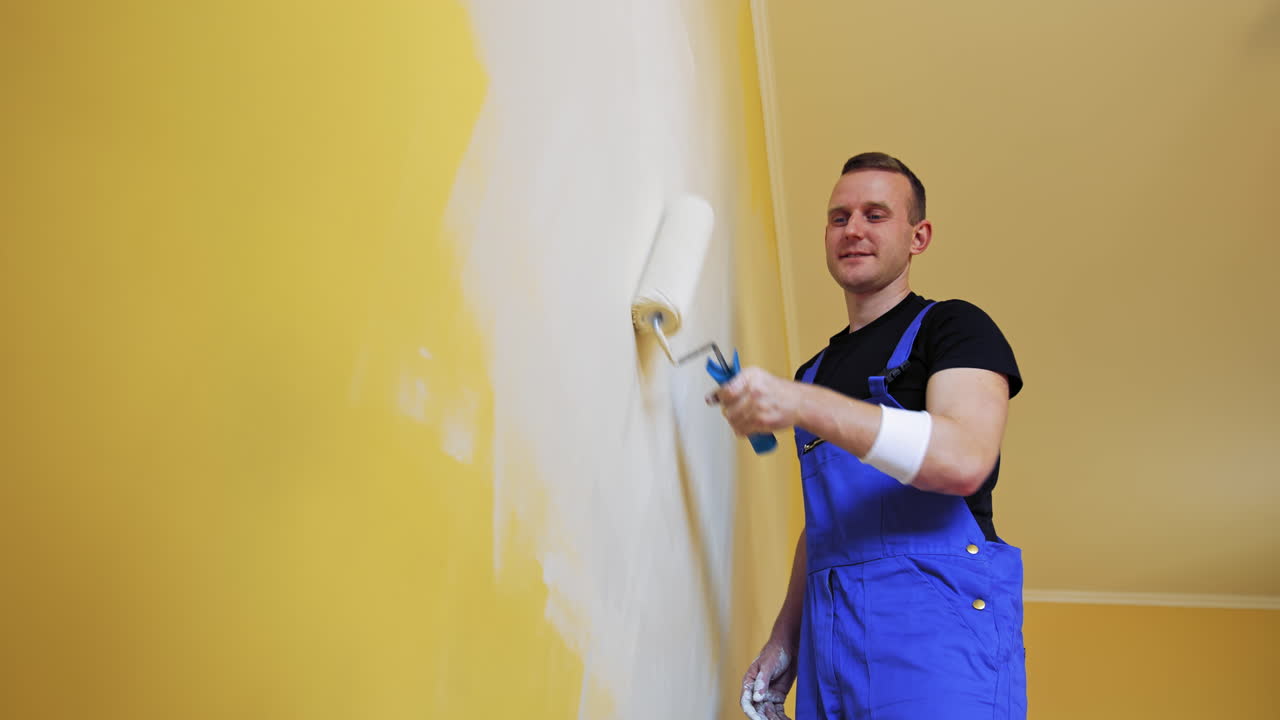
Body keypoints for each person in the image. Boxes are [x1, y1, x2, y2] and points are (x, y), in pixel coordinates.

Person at [710, 152, 1026, 719]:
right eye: (840, 217)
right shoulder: (814, 373)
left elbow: (964, 459)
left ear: (918, 236)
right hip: (832, 643)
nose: (853, 229)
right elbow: (827, 522)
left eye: (875, 215)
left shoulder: (952, 327)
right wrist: (787, 638)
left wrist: (801, 402)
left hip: (936, 635)